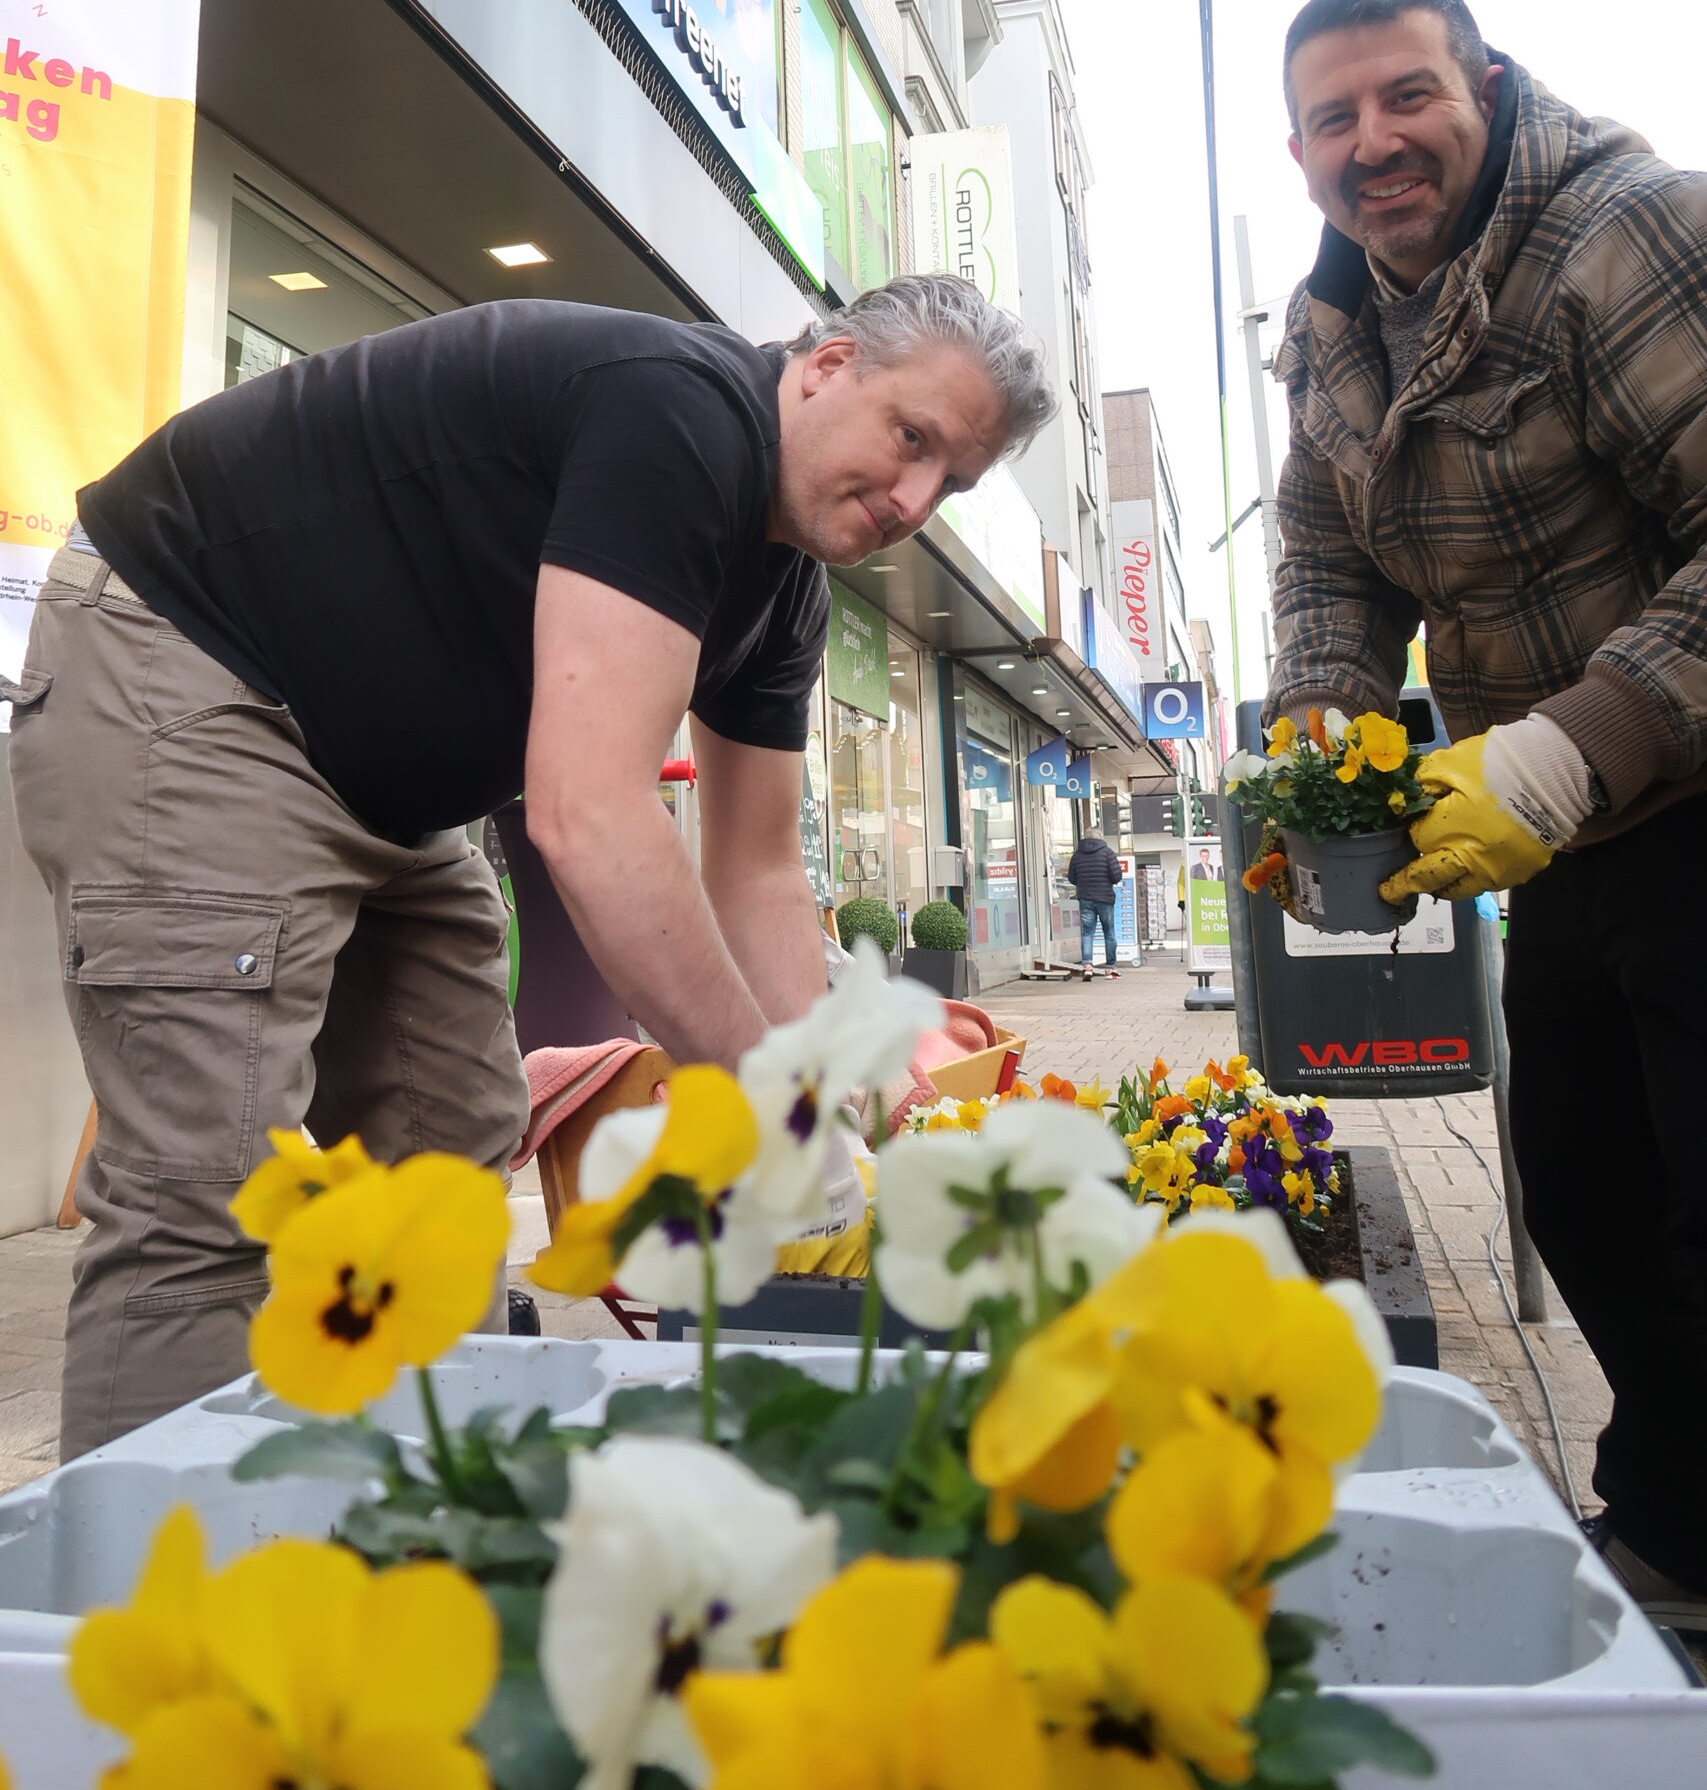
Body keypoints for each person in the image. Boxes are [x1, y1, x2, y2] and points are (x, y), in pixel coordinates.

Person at [3, 275, 1053, 1456]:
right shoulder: (680, 416)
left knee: (447, 1130)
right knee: (205, 1189)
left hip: (383, 787)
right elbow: (591, 816)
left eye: (951, 479)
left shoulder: (788, 590)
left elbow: (755, 874)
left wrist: (843, 1103)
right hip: (191, 668)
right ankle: (140, 1609)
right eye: (911, 438)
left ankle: (404, 1504)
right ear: (827, 365)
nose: (915, 498)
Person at [1266, 0, 1707, 1628]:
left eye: (1406, 96)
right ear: (1298, 150)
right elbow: (1322, 548)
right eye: (1333, 117)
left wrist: (1561, 740)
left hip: (1673, 791)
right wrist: (1322, 713)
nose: (1373, 141)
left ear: (1485, 87)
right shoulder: (1332, 326)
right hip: (1569, 840)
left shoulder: (1629, 237)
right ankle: (1676, 1527)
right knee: (1584, 1184)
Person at [1066, 825, 1122, 979]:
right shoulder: (1107, 853)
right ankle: (1110, 968)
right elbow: (1117, 877)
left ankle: (1087, 965)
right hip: (1105, 898)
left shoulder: (1077, 855)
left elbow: (1071, 878)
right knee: (1109, 933)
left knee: (1087, 933)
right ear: (1100, 837)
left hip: (1086, 899)